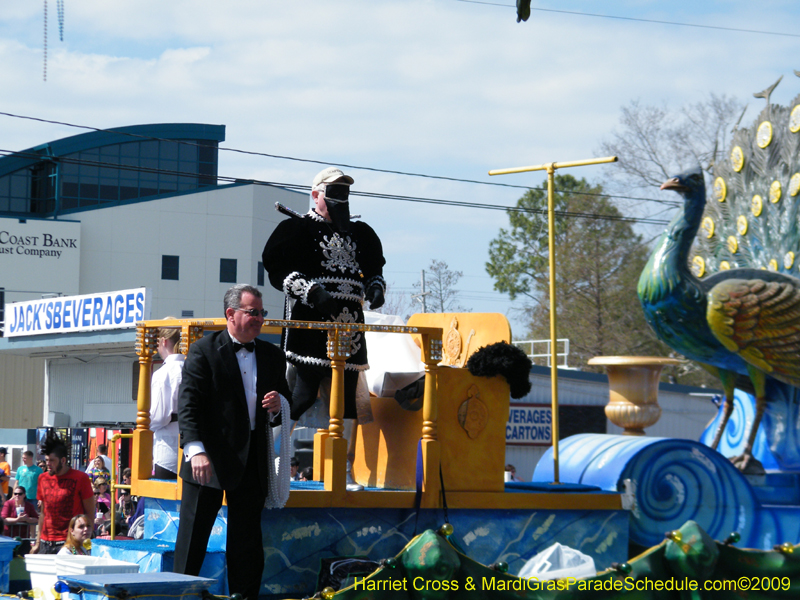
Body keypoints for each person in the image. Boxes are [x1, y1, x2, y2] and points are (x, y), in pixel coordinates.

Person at [262, 167, 386, 491]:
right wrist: (313, 292)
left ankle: (341, 471)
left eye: (343, 195)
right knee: (300, 396)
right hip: (311, 326)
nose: (338, 201)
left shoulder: (360, 233)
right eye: (332, 194)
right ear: (315, 195)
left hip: (349, 328)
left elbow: (374, 269)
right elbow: (278, 270)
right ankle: (271, 460)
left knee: (345, 402)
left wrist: (375, 287)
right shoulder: (297, 229)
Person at [173, 284, 293, 600]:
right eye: (253, 312)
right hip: (208, 459)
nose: (260, 319)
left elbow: (286, 400)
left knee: (247, 544)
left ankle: (244, 597)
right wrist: (194, 450)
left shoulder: (272, 354)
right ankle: (179, 596)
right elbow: (188, 406)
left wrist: (281, 405)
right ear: (231, 314)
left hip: (252, 459)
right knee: (193, 538)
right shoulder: (203, 350)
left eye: (262, 313)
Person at [32, 435, 95, 554]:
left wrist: (86, 542)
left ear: (63, 460)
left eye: (52, 460)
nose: (48, 464)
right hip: (46, 543)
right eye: (46, 460)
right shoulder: (42, 478)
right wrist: (38, 543)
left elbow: (90, 513)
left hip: (70, 543)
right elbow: (43, 513)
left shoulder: (81, 478)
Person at [149, 321, 185, 480]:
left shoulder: (163, 374)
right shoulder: (192, 367)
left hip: (168, 451)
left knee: (165, 502)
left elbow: (159, 417)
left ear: (164, 341)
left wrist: (146, 424)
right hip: (194, 447)